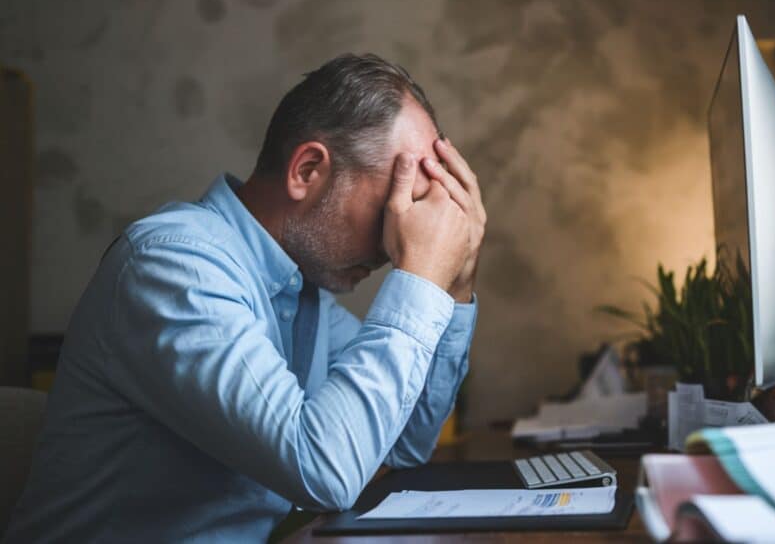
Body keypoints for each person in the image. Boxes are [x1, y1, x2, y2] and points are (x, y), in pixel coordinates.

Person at [4, 54, 486, 543]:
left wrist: (454, 282)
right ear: (307, 169)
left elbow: (404, 443)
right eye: (392, 207)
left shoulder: (301, 290)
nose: (396, 239)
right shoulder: (175, 268)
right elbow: (325, 471)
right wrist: (420, 274)